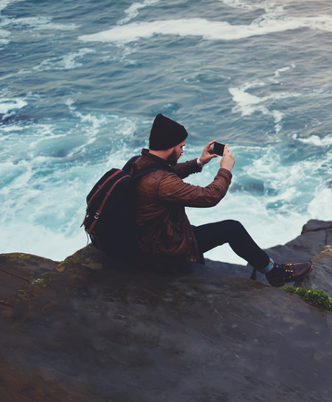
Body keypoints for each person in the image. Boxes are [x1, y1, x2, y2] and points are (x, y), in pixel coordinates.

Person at [130, 113, 312, 286]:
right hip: (160, 249)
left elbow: (166, 174)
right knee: (232, 229)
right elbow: (209, 197)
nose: (182, 151)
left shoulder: (139, 162)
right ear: (169, 146)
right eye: (181, 147)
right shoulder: (162, 183)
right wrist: (225, 170)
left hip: (148, 237)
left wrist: (199, 162)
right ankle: (276, 272)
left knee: (199, 231)